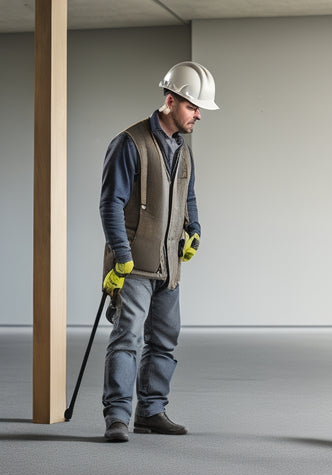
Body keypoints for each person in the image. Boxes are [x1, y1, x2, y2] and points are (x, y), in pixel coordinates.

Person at [99, 61, 219, 442]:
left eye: (199, 108)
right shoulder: (129, 143)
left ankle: (151, 410)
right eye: (193, 107)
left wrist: (194, 229)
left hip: (169, 266)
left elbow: (189, 196)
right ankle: (117, 417)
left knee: (165, 340)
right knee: (127, 338)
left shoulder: (183, 151)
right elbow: (110, 205)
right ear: (171, 101)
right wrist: (121, 256)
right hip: (133, 265)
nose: (198, 115)